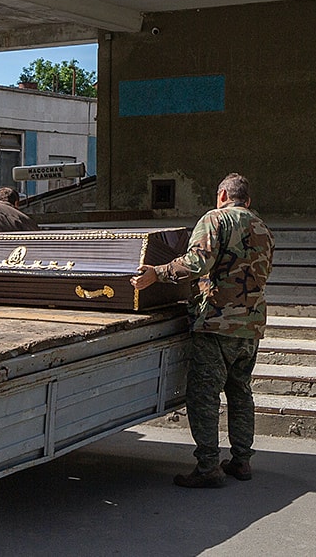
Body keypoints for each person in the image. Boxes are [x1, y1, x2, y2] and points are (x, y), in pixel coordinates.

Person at [130, 173, 274, 488]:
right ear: (246, 200)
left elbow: (197, 262)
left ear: (222, 195)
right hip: (251, 326)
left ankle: (208, 466)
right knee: (241, 393)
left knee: (204, 396)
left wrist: (158, 273)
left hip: (217, 323)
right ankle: (241, 460)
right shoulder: (263, 228)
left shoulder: (216, 219)